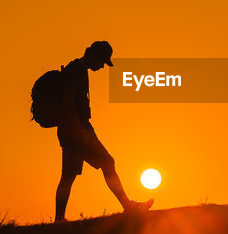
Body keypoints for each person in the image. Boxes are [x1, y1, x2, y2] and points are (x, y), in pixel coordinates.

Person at [44, 41, 153, 222]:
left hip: (79, 129)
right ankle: (59, 218)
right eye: (102, 62)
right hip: (75, 130)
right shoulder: (77, 69)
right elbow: (68, 99)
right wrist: (75, 130)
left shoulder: (78, 69)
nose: (102, 66)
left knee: (105, 163)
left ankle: (127, 206)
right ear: (94, 56)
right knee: (71, 174)